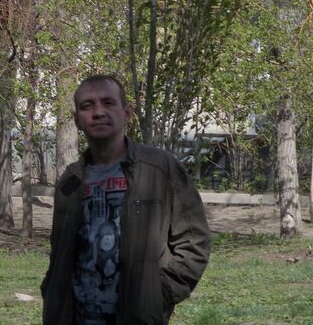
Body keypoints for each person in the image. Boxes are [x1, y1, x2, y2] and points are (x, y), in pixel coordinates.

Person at [41, 74, 211, 325]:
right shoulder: (70, 180)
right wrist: (51, 293)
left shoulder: (160, 168)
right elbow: (60, 253)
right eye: (87, 106)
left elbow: (194, 241)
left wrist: (160, 294)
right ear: (77, 120)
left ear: (127, 113)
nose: (98, 112)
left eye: (108, 103)